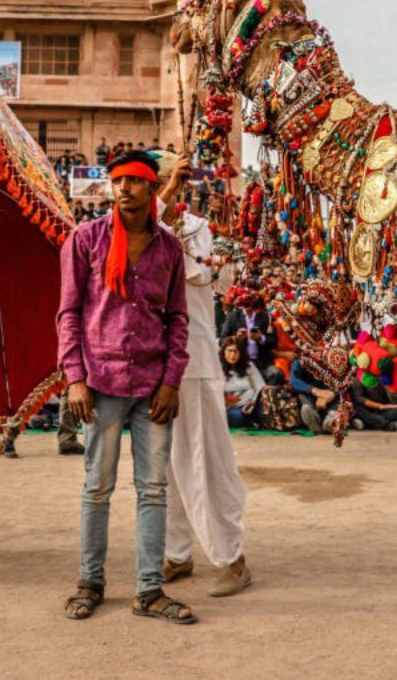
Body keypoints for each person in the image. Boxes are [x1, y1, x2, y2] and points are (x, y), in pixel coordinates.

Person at [57, 149, 194, 624]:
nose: (124, 189)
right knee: (97, 487)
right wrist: (75, 377)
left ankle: (149, 590)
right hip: (101, 382)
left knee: (153, 490)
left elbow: (177, 319)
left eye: (135, 181)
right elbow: (68, 313)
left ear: (152, 188)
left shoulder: (170, 249)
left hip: (153, 384)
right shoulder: (85, 240)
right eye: (118, 181)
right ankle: (89, 582)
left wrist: (172, 380)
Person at [154, 151, 252, 598]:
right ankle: (177, 553)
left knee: (202, 461)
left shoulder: (197, 229)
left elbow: (203, 277)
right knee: (162, 468)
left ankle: (231, 557)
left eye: (155, 182)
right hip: (151, 366)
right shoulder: (135, 230)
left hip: (191, 362)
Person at [218, 338, 264, 427]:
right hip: (232, 407)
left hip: (251, 405)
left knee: (263, 413)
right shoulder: (217, 368)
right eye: (230, 351)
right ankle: (250, 422)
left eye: (236, 351)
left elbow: (260, 386)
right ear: (224, 352)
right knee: (237, 418)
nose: (232, 355)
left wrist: (253, 400)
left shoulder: (248, 365)